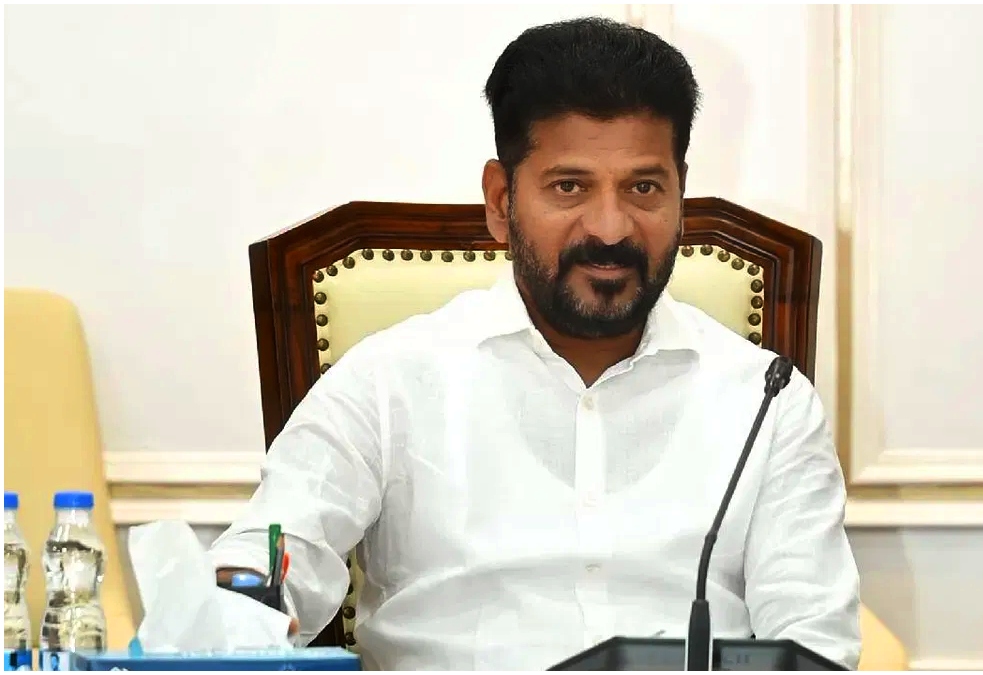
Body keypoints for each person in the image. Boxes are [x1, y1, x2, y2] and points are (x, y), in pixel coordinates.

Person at [209, 16, 862, 671]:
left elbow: (815, 644)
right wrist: (238, 605)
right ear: (501, 201)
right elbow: (265, 560)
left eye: (643, 188)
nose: (610, 228)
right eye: (569, 187)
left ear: (680, 196)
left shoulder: (766, 401)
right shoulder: (387, 381)